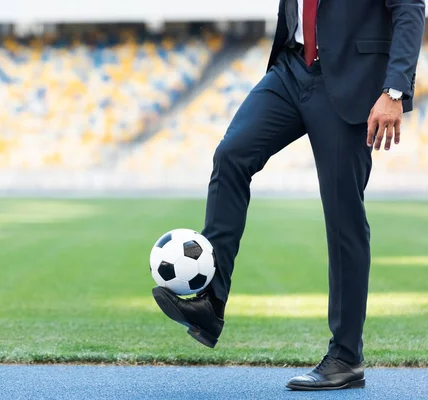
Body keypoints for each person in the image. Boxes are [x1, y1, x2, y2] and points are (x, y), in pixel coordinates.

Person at [152, 0, 425, 391]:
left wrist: (394, 89)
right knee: (231, 156)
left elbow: (409, 7)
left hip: (350, 79)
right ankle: (210, 302)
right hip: (291, 68)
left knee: (343, 215)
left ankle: (346, 357)